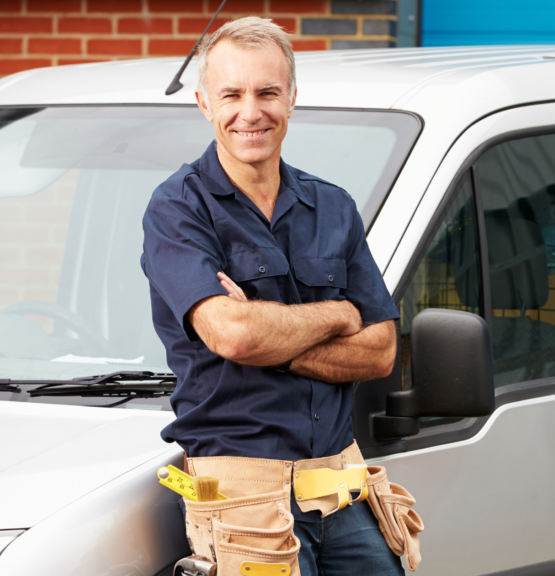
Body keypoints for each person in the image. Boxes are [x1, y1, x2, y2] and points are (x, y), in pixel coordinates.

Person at [141, 17, 406, 576]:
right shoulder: (178, 210)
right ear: (204, 104)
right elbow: (233, 335)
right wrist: (339, 314)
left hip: (342, 486)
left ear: (291, 98)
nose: (250, 111)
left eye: (267, 92)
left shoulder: (332, 207)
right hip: (242, 498)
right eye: (231, 94)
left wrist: (267, 336)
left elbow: (380, 351)